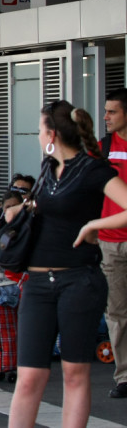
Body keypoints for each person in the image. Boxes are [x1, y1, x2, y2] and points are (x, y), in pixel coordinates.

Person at [8, 101, 127, 428]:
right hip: (36, 285)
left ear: (52, 133)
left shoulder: (92, 168)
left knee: (75, 373)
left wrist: (93, 226)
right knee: (29, 376)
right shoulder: (47, 168)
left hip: (78, 281)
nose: (37, 134)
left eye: (39, 128)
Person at [100, 88, 127, 399]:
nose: (105, 117)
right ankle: (124, 376)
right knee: (117, 313)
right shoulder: (104, 147)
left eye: (112, 112)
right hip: (111, 242)